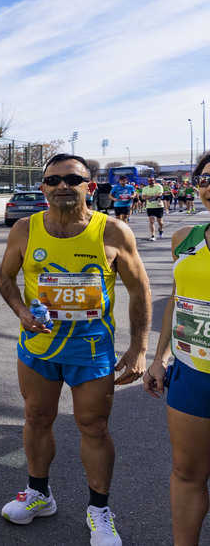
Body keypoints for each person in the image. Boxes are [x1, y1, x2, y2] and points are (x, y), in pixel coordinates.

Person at [0, 153, 151, 546]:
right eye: (52, 180)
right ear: (43, 188)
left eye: (72, 179)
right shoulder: (25, 229)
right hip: (38, 347)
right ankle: (39, 494)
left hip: (91, 351)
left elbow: (139, 290)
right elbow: (4, 277)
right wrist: (20, 312)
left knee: (94, 428)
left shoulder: (112, 231)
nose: (62, 186)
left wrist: (139, 348)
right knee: (35, 417)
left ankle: (99, 510)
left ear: (89, 186)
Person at [144, 153, 210, 546]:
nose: (209, 185)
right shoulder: (184, 238)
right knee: (187, 472)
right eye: (204, 178)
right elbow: (177, 298)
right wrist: (159, 357)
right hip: (192, 372)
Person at [141, 176, 165, 241]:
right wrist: (152, 196)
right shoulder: (145, 188)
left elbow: (160, 194)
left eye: (152, 180)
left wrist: (148, 196)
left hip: (158, 206)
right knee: (151, 221)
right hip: (150, 206)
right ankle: (153, 235)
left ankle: (161, 229)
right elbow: (143, 197)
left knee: (160, 221)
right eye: (149, 181)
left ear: (154, 181)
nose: (151, 182)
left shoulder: (159, 186)